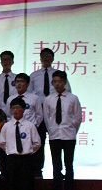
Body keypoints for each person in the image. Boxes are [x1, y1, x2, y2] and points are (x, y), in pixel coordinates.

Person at [28, 48, 72, 178]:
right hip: (39, 110)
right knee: (39, 141)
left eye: (48, 56)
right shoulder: (34, 75)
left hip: (55, 110)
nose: (46, 58)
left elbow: (68, 92)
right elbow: (29, 95)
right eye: (43, 56)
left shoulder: (58, 75)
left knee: (57, 142)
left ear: (52, 58)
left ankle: (58, 172)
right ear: (40, 58)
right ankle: (38, 171)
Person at [0, 98, 41, 190]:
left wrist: (28, 151)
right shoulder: (6, 126)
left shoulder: (30, 125)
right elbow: (2, 143)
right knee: (12, 187)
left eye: (18, 107)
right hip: (12, 159)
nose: (15, 110)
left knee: (25, 187)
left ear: (23, 109)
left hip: (26, 159)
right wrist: (10, 150)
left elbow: (37, 143)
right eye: (13, 108)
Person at [43, 71, 81, 190]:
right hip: (54, 136)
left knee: (68, 165)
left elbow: (77, 118)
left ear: (65, 82)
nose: (57, 84)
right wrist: (52, 130)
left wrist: (71, 128)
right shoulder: (48, 99)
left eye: (59, 81)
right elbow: (47, 118)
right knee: (56, 165)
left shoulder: (73, 98)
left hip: (69, 135)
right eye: (54, 81)